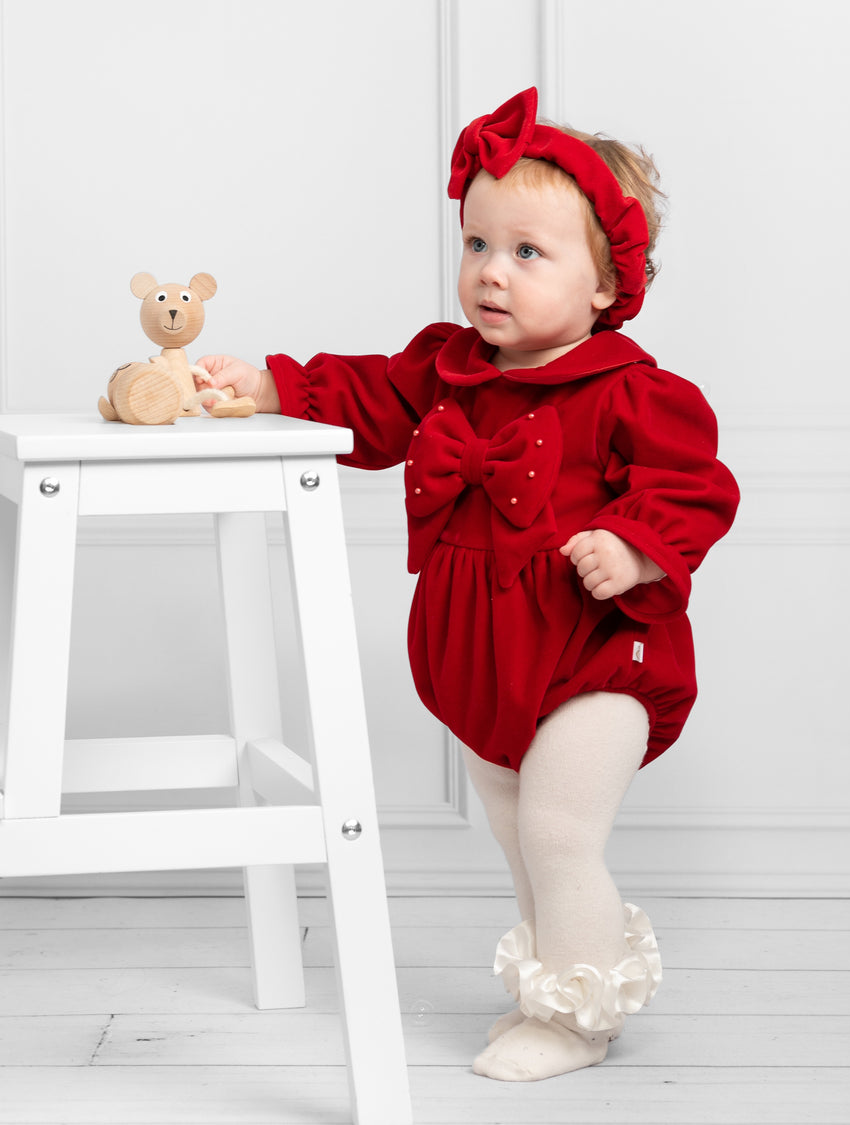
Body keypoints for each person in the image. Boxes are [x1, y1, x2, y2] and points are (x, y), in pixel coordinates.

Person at [197, 87, 740, 1082]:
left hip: (593, 653)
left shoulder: (632, 389)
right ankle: (556, 986)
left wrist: (633, 546)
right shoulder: (449, 369)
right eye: (478, 244)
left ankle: (579, 1024)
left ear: (607, 286)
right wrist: (271, 385)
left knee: (557, 827)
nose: (491, 273)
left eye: (529, 253)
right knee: (517, 833)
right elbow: (365, 393)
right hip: (487, 658)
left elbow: (693, 486)